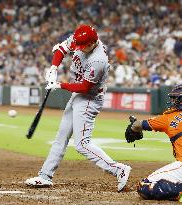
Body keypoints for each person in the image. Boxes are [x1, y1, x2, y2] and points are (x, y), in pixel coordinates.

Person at [25, 24, 131, 192]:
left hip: (90, 98)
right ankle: (45, 175)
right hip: (78, 96)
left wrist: (59, 84)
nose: (78, 48)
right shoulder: (81, 38)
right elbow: (61, 49)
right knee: (61, 136)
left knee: (82, 143)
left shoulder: (98, 60)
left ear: (92, 43)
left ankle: (118, 169)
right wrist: (53, 68)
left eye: (83, 46)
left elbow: (84, 87)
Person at [126, 84, 182, 201]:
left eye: (175, 98)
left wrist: (132, 128)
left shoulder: (169, 118)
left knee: (144, 186)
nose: (172, 101)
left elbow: (137, 125)